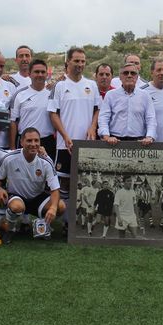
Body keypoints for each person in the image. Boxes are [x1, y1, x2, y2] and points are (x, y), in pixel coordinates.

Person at [48, 47, 99, 226]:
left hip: (86, 145)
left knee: (84, 184)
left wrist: (93, 126)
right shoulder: (60, 86)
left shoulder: (91, 85)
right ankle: (66, 224)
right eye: (76, 61)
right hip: (65, 144)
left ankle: (83, 222)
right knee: (64, 184)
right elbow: (53, 114)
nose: (80, 64)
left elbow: (97, 109)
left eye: (83, 61)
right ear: (68, 62)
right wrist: (65, 136)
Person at [0, 127, 64, 245]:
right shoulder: (10, 158)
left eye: (36, 140)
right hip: (16, 197)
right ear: (22, 142)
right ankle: (11, 229)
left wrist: (53, 208)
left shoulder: (46, 161)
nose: (33, 144)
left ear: (40, 142)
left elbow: (55, 189)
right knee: (17, 206)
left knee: (60, 206)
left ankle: (43, 227)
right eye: (29, 141)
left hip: (37, 197)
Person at [98, 62, 156, 145]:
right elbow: (103, 118)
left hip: (140, 142)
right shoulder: (111, 95)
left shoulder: (145, 95)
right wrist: (106, 136)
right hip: (114, 141)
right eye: (125, 73)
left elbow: (151, 119)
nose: (129, 75)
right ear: (120, 77)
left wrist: (150, 136)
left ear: (137, 77)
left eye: (133, 73)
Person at [9, 59, 54, 152]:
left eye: (43, 72)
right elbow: (13, 122)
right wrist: (12, 148)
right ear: (29, 74)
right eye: (36, 72)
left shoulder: (52, 95)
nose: (40, 74)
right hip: (26, 141)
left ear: (47, 74)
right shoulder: (19, 95)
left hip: (47, 141)